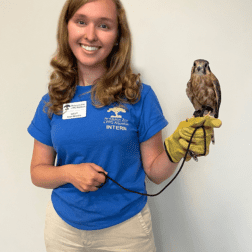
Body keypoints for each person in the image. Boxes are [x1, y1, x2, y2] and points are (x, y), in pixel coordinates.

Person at [28, 0, 222, 251]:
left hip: (126, 233)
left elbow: (154, 171)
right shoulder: (52, 100)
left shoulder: (139, 95)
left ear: (118, 36)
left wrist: (176, 149)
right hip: (63, 232)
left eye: (104, 25)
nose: (90, 35)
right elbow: (37, 172)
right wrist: (69, 173)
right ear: (67, 29)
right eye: (81, 21)